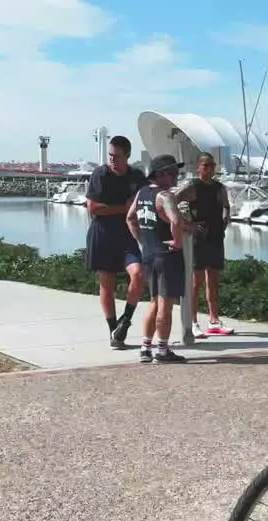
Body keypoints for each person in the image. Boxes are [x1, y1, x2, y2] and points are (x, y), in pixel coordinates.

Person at [85, 135, 148, 348]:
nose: (112, 160)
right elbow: (92, 208)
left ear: (127, 156)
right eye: (110, 155)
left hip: (128, 235)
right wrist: (125, 207)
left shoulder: (137, 176)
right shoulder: (100, 174)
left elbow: (146, 201)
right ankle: (114, 332)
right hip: (102, 234)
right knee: (107, 286)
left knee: (138, 274)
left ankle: (126, 320)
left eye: (117, 156)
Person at [126, 155, 188, 363]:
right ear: (160, 174)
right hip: (166, 255)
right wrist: (177, 242)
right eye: (172, 173)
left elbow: (130, 217)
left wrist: (142, 241)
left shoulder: (142, 193)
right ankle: (162, 350)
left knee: (153, 301)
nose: (175, 177)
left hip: (149, 254)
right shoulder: (164, 196)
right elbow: (176, 220)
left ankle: (145, 347)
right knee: (165, 304)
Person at [179, 152, 235, 337]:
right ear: (198, 167)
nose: (209, 169)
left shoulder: (219, 187)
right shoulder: (193, 187)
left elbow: (226, 206)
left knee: (214, 280)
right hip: (199, 238)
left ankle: (214, 320)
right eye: (205, 165)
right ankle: (193, 322)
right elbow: (173, 201)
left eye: (212, 165)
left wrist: (226, 220)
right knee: (196, 282)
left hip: (216, 237)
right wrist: (188, 223)